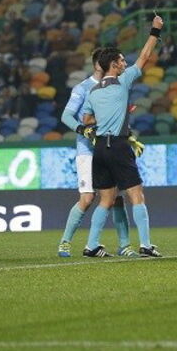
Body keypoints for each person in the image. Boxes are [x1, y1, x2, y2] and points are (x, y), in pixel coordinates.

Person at [79, 17, 165, 258]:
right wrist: (155, 31)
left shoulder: (92, 91)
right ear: (114, 65)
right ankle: (146, 245)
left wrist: (108, 116)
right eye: (122, 61)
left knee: (105, 199)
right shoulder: (123, 81)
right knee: (137, 195)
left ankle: (92, 245)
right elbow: (145, 56)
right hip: (118, 145)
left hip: (99, 149)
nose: (125, 64)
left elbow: (86, 122)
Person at [57, 47, 134, 258]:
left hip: (109, 146)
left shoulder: (117, 86)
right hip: (87, 150)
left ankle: (124, 245)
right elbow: (66, 116)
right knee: (88, 197)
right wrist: (81, 129)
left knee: (117, 197)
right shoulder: (83, 88)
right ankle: (65, 242)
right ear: (98, 65)